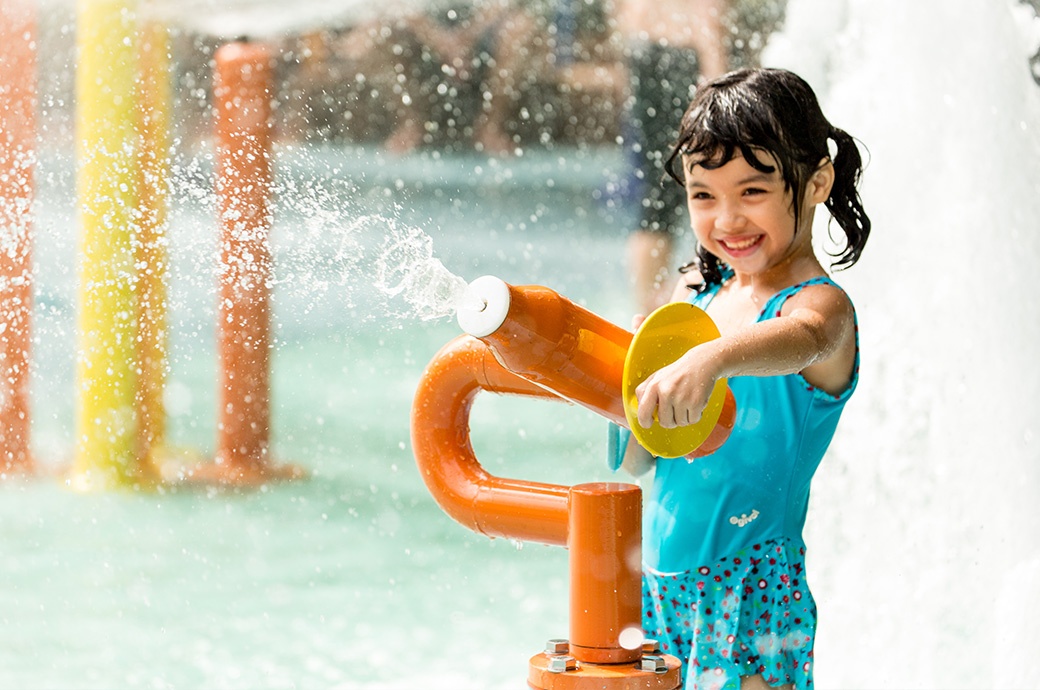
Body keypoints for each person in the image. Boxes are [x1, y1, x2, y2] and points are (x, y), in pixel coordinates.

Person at [611, 67, 870, 690]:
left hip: (752, 584)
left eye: (751, 191)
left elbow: (801, 341)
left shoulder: (818, 308)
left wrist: (710, 359)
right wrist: (628, 382)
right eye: (704, 196)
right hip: (661, 582)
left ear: (816, 183)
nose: (726, 219)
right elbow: (641, 461)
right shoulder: (700, 301)